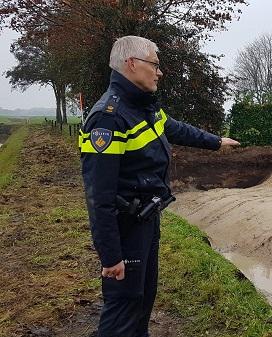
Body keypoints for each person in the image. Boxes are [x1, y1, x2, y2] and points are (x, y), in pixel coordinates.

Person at [79, 35, 239, 337]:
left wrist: (216, 142)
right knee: (124, 305)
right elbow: (98, 196)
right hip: (125, 227)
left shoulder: (142, 107)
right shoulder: (108, 119)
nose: (159, 71)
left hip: (147, 220)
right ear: (132, 64)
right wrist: (111, 255)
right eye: (155, 64)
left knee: (143, 297)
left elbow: (175, 128)